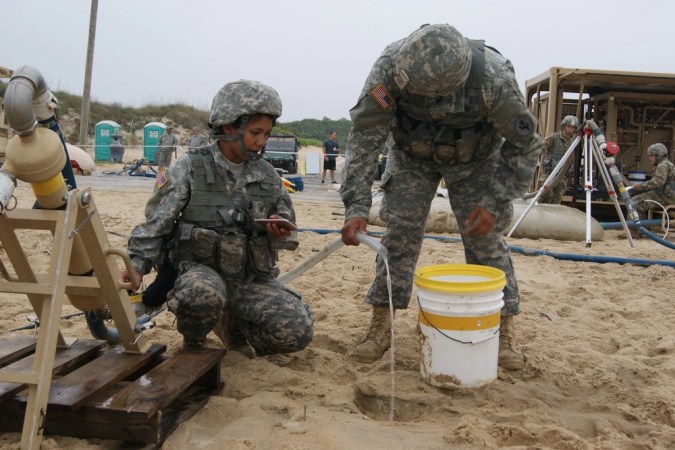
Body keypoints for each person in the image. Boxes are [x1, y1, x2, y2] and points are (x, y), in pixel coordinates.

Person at [339, 24, 542, 370]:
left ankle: (503, 328)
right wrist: (355, 205)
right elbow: (364, 140)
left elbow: (526, 145)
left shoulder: (493, 79)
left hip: (475, 158)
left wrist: (494, 202)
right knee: (399, 234)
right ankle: (380, 325)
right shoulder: (390, 67)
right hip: (410, 155)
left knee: (486, 240)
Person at [124, 80, 313, 355]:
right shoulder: (190, 167)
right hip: (201, 275)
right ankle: (195, 340)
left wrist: (278, 230)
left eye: (266, 134)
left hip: (249, 280)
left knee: (298, 329)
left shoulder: (268, 176)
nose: (261, 141)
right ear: (228, 127)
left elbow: (286, 223)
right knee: (201, 297)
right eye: (255, 132)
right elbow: (156, 224)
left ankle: (230, 324)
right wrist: (137, 265)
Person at [538, 115, 579, 204]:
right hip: (548, 174)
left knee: (557, 199)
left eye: (573, 127)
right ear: (564, 126)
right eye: (568, 126)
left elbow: (572, 160)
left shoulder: (574, 142)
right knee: (546, 195)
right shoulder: (553, 137)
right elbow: (539, 150)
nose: (570, 129)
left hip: (562, 176)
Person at [630, 143, 675, 218]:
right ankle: (642, 226)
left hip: (665, 197)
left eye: (652, 156)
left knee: (633, 202)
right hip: (666, 196)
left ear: (658, 156)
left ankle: (635, 227)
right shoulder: (667, 164)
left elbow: (658, 182)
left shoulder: (662, 165)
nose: (649, 158)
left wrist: (639, 187)